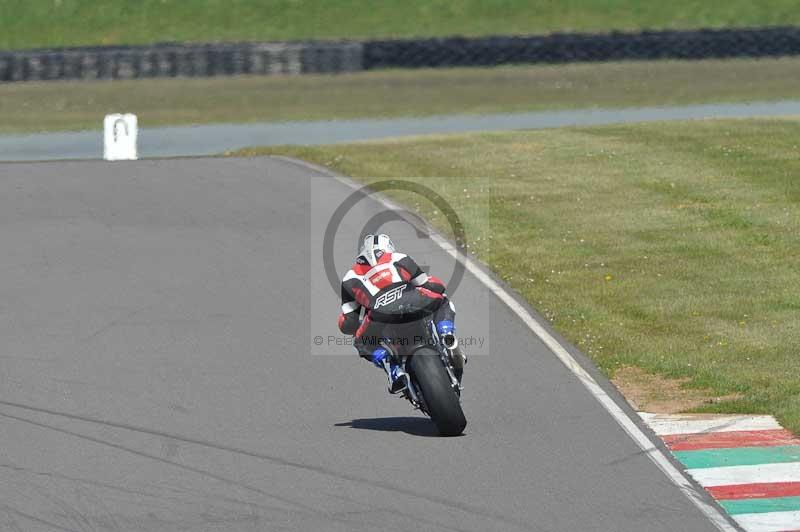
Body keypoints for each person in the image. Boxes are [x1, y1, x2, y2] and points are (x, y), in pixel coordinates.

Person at [338, 234, 464, 393]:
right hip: (414, 302)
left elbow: (348, 322)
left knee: (361, 342)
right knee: (443, 301)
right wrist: (435, 284)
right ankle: (446, 334)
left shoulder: (349, 278)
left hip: (379, 317)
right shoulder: (400, 258)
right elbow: (431, 286)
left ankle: (392, 367)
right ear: (388, 247)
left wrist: (354, 322)